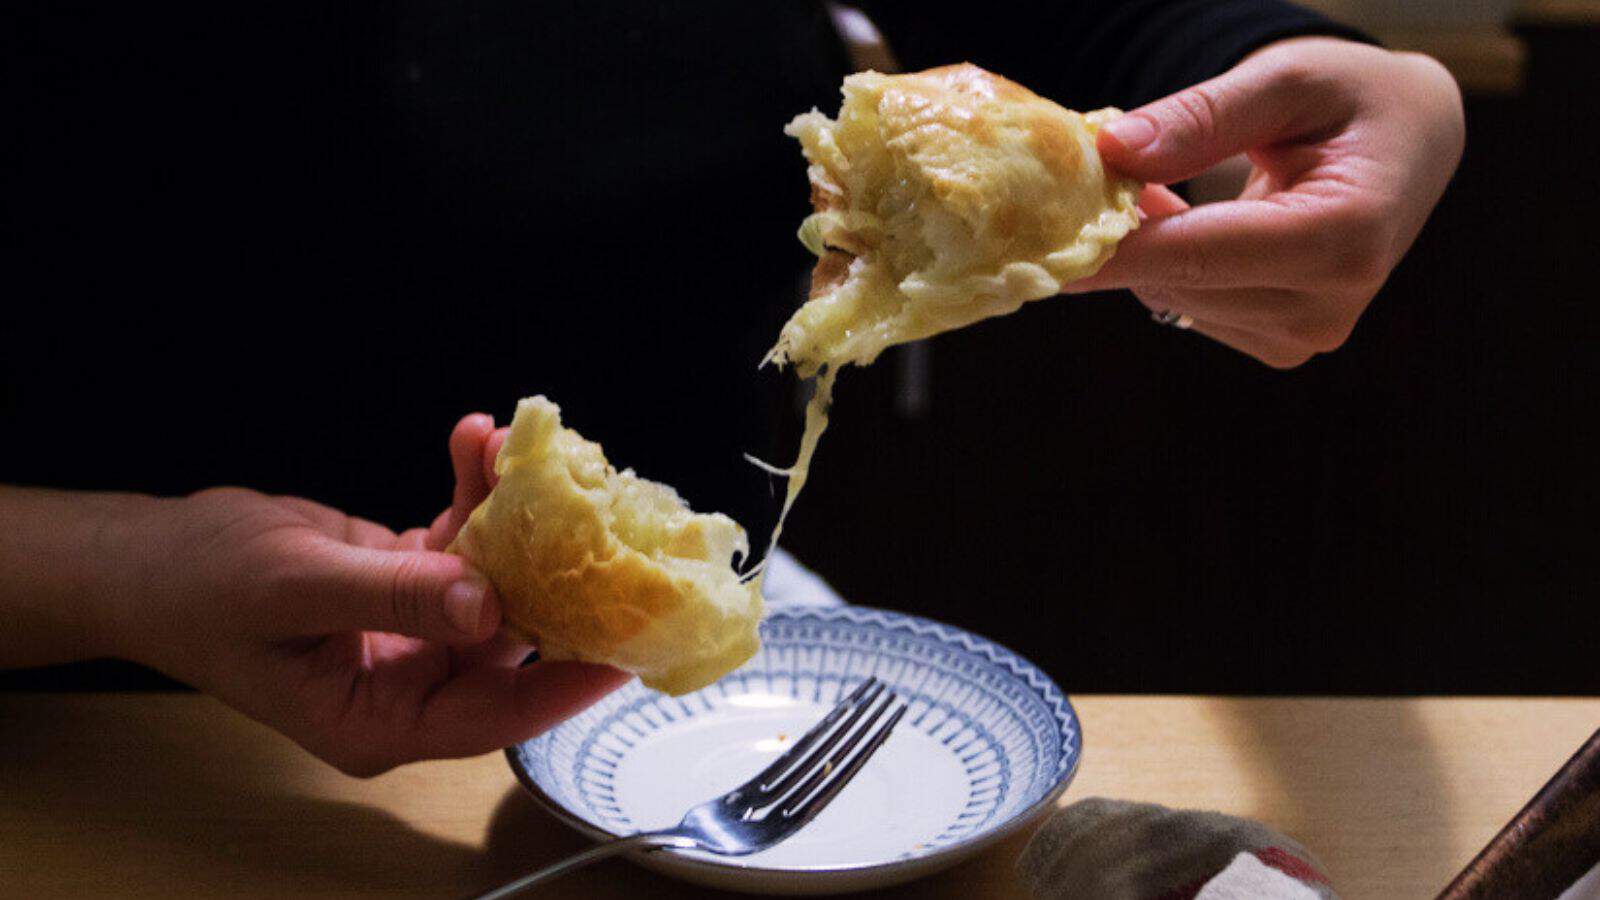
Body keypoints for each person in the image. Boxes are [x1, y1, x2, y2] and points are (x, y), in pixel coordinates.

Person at [2, 1, 1463, 775]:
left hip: (686, 693)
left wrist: (1293, 81)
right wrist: (104, 572)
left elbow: (1097, 18)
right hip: (97, 737)